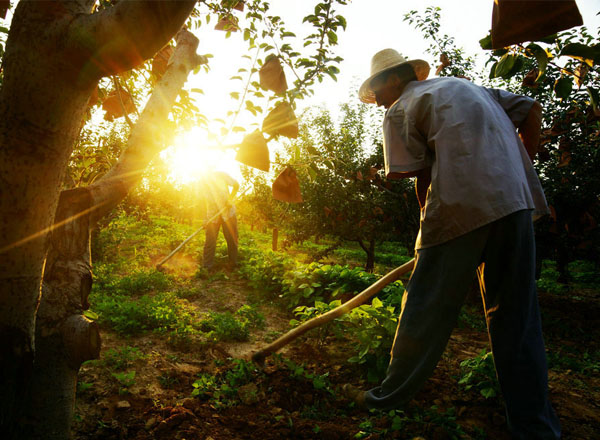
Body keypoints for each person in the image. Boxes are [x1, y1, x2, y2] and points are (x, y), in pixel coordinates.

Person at [343, 48, 561, 439]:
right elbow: (530, 108)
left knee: (425, 308)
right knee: (517, 320)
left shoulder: (401, 107)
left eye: (376, 88)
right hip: (515, 201)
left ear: (395, 78)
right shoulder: (469, 87)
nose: (376, 100)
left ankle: (386, 397)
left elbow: (419, 176)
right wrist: (517, 160)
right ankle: (535, 429)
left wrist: (430, 229)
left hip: (461, 206)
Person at [201, 171, 239, 270]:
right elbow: (205, 204)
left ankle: (232, 264)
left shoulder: (221, 175)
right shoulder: (201, 184)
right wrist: (205, 219)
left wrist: (230, 199)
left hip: (228, 213)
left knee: (231, 239)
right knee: (210, 241)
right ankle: (207, 266)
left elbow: (236, 185)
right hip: (213, 215)